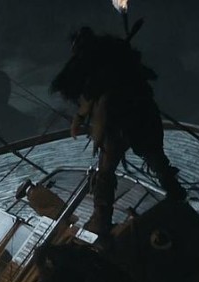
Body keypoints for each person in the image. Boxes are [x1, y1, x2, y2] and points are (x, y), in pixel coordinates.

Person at [51, 27, 186, 237]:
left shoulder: (106, 66)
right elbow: (95, 93)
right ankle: (174, 192)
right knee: (155, 159)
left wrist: (85, 121)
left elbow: (96, 99)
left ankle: (101, 221)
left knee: (107, 173)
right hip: (141, 117)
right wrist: (81, 116)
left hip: (122, 123)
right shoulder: (113, 60)